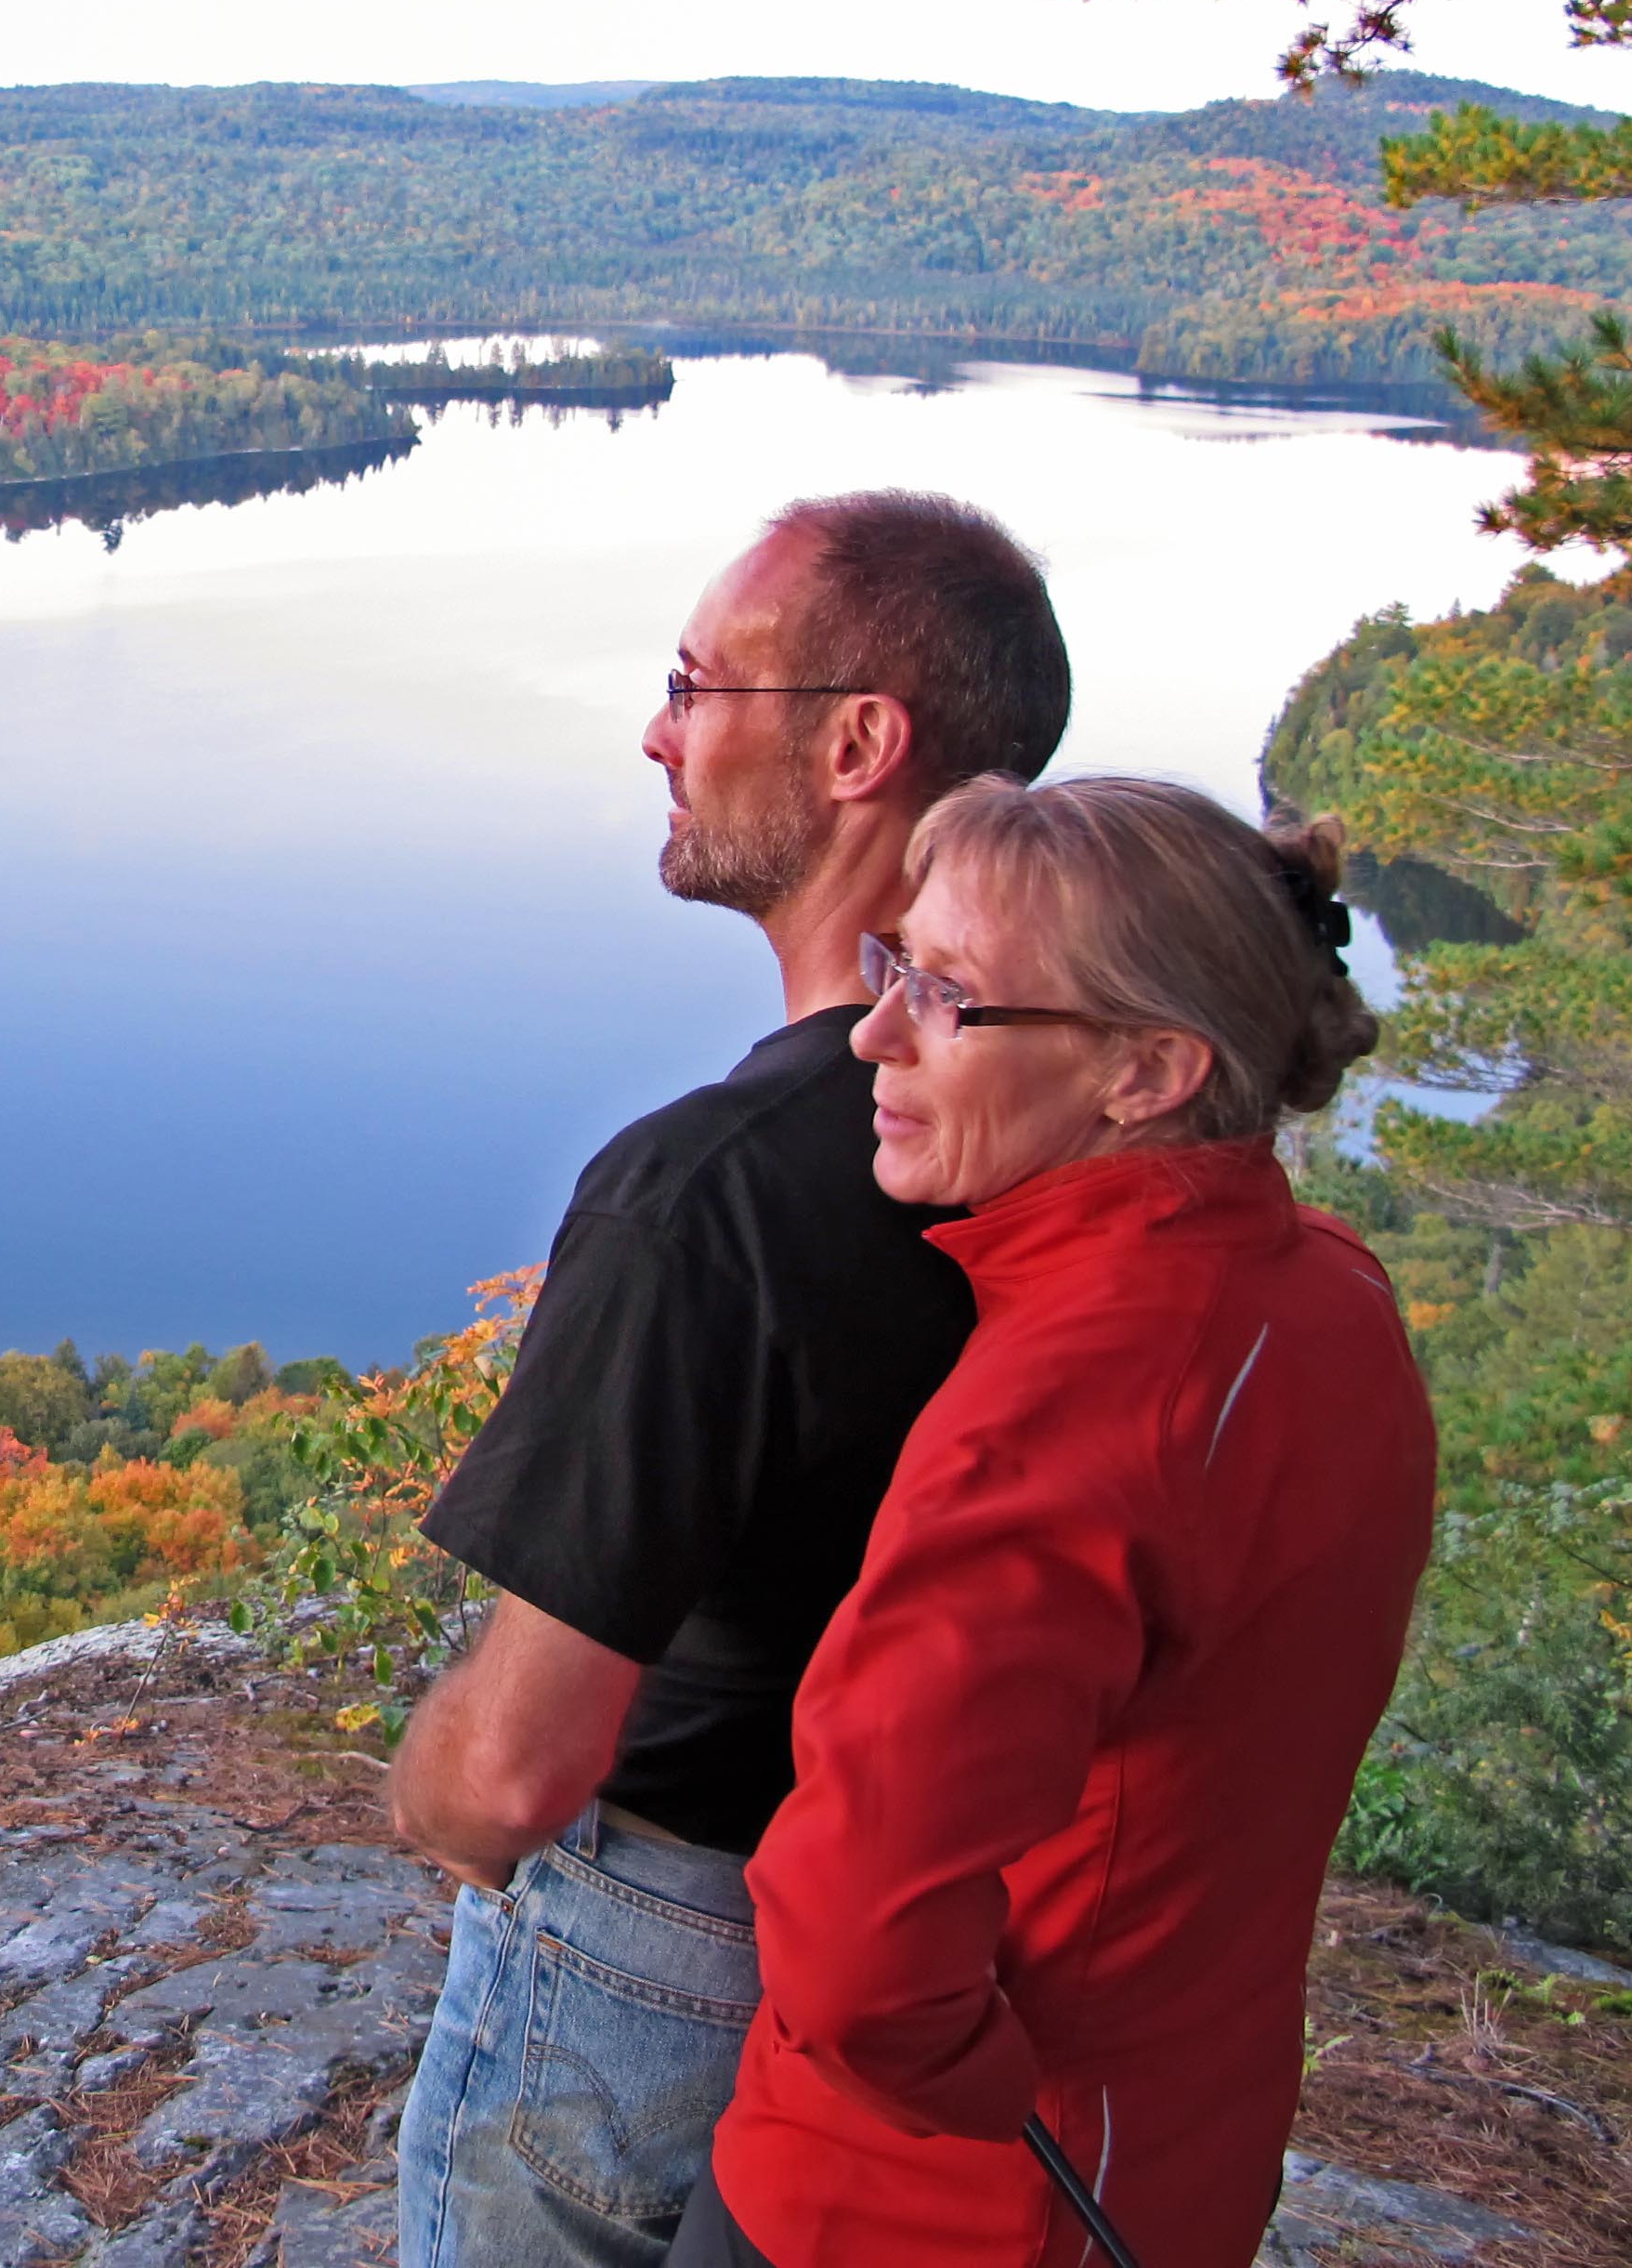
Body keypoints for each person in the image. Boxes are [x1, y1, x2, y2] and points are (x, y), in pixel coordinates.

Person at [390, 492, 1070, 2268]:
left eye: (696, 684)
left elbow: (514, 1777)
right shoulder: (1103, 1123)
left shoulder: (716, 1188)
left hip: (673, 1944)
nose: (655, 728)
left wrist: (430, 1782)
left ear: (858, 745)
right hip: (960, 1925)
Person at [672, 778, 1431, 2268]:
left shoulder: (1060, 1418)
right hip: (1183, 2153)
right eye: (893, 962)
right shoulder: (1328, 1296)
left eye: (949, 997)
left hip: (919, 2212)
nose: (875, 1033)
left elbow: (855, 1948)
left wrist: (993, 2085)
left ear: (1147, 1070)